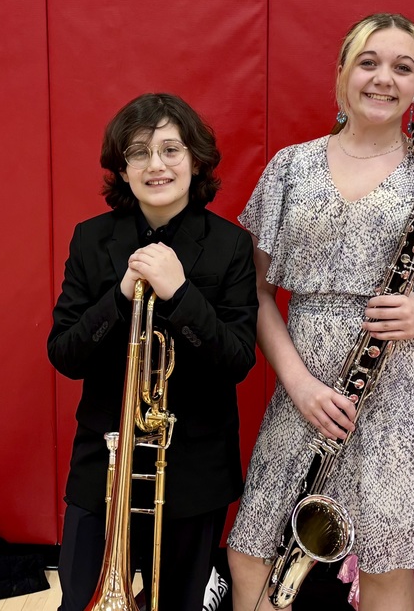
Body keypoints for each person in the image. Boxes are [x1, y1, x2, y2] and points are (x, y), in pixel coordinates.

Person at [226, 13, 414, 611]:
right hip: (308, 382)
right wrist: (299, 385)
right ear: (341, 74)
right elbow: (257, 292)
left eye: (402, 67)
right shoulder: (292, 167)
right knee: (251, 549)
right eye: (368, 62)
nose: (383, 79)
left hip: (405, 383)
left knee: (388, 560)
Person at [48, 93, 258, 611]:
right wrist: (118, 297)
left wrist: (181, 295)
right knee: (81, 600)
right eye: (138, 152)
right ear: (121, 169)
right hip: (105, 461)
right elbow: (65, 354)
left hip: (192, 469)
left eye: (170, 149)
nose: (156, 165)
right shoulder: (91, 241)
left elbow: (237, 359)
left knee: (180, 603)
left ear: (195, 160)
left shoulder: (230, 246)